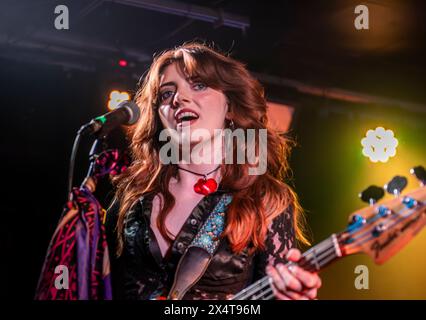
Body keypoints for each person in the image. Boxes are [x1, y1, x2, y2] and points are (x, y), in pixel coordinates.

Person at [105, 42, 322, 300]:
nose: (179, 98)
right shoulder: (132, 195)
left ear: (229, 107)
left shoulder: (266, 200)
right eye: (166, 94)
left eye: (198, 85)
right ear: (158, 116)